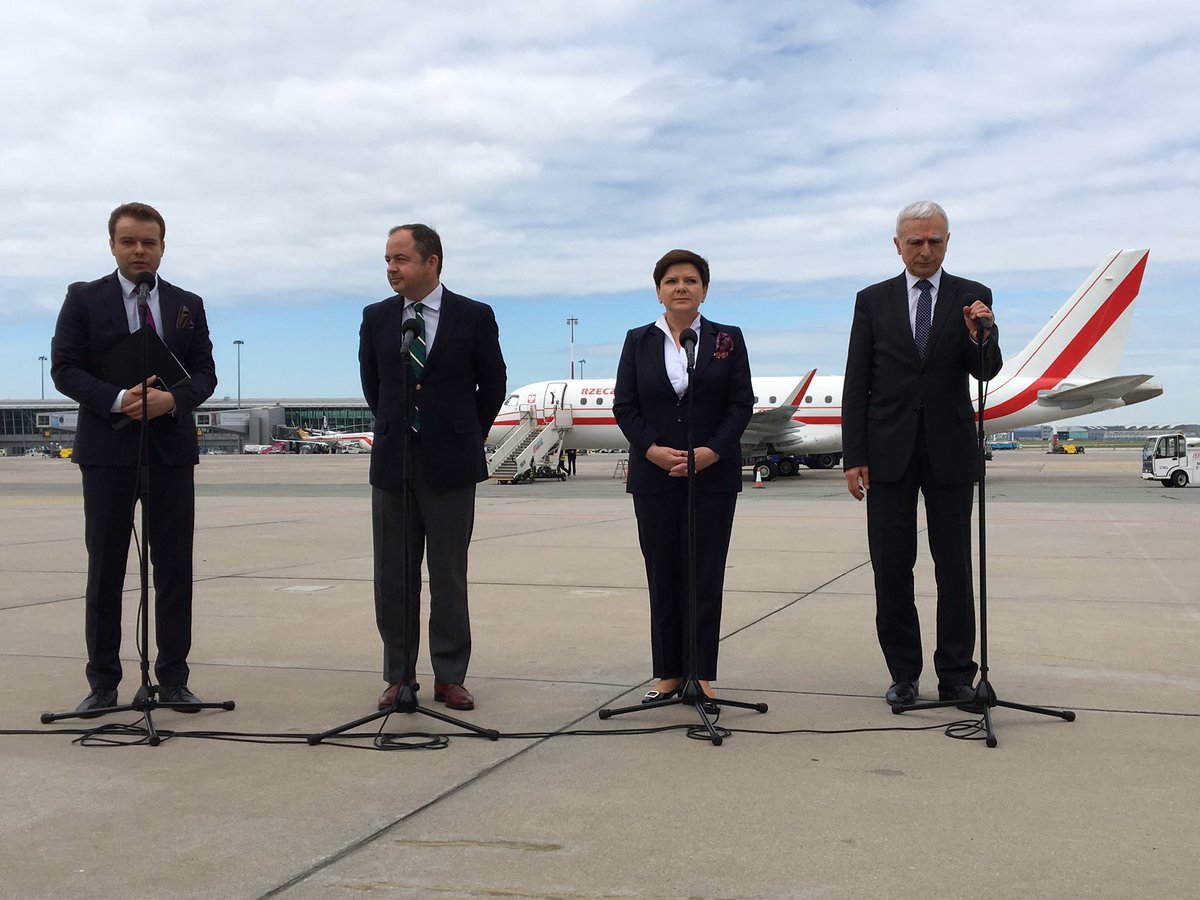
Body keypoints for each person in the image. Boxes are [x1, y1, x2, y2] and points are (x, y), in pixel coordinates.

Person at [50, 202, 218, 715]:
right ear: (112, 245)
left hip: (170, 452)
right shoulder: (83, 298)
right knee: (105, 569)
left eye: (149, 242)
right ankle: (103, 683)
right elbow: (65, 369)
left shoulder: (187, 303)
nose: (139, 251)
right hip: (107, 452)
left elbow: (205, 373)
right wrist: (118, 398)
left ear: (163, 247)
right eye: (128, 242)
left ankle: (174, 679)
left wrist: (175, 400)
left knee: (175, 570)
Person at [842, 201, 1002, 707]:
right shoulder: (872, 301)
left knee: (955, 568)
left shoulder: (972, 296)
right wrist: (854, 455)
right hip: (887, 452)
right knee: (891, 568)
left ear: (948, 242)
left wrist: (981, 335)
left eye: (935, 240)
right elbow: (857, 382)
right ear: (898, 245)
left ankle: (955, 675)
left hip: (950, 450)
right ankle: (903, 673)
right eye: (916, 241)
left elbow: (986, 370)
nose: (926, 250)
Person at [359, 224, 507, 712]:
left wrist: (462, 433)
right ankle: (399, 676)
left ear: (432, 262)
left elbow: (493, 383)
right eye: (387, 260)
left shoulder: (474, 315)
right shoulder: (377, 317)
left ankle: (450, 676)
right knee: (393, 577)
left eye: (400, 259)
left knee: (448, 575)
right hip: (393, 465)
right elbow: (373, 384)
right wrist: (399, 425)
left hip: (451, 466)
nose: (391, 269)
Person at [613, 249, 753, 705]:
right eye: (671, 280)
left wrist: (712, 451)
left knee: (705, 574)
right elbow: (624, 406)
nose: (681, 288)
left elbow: (741, 404)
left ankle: (702, 672)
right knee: (664, 574)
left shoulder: (727, 339)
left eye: (691, 280)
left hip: (712, 475)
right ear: (658, 291)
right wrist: (651, 449)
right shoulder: (638, 341)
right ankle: (670, 672)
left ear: (704, 290)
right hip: (654, 477)